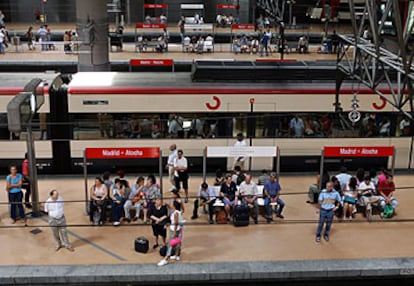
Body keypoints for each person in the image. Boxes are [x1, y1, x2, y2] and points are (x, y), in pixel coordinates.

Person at [158, 201, 183, 266]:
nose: (171, 205)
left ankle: (166, 259)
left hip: (174, 231)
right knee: (177, 243)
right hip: (176, 230)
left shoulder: (176, 213)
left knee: (170, 244)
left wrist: (174, 232)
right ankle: (176, 255)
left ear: (174, 206)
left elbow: (176, 223)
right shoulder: (177, 212)